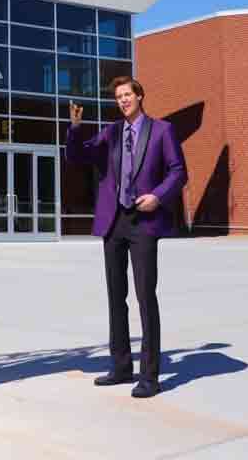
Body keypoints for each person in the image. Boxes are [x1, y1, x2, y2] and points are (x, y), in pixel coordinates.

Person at [66, 76, 187, 398]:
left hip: (144, 222)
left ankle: (150, 377)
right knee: (115, 297)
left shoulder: (162, 130)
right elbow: (78, 157)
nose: (122, 100)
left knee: (146, 297)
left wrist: (158, 196)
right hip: (114, 222)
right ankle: (121, 367)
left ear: (140, 95)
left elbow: (178, 172)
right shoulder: (112, 132)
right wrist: (76, 128)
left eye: (127, 95)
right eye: (118, 97)